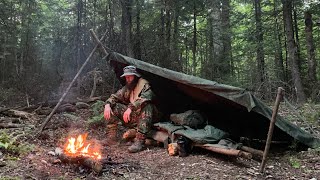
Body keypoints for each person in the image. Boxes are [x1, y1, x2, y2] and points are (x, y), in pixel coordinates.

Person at [104, 65, 160, 153]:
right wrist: (107, 105)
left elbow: (146, 98)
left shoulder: (144, 85)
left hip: (149, 118)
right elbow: (115, 97)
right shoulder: (128, 87)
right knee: (113, 106)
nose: (128, 79)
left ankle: (139, 141)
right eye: (126, 77)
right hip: (135, 117)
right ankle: (112, 138)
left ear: (135, 76)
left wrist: (130, 108)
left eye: (130, 77)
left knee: (147, 105)